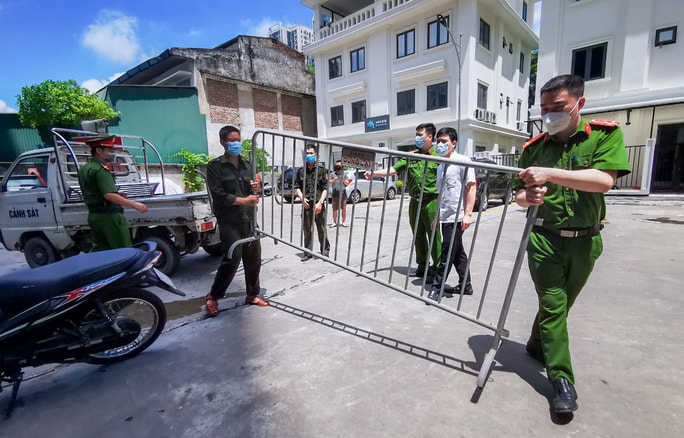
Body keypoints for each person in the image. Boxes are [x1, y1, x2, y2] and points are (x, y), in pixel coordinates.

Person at [513, 74, 631, 414]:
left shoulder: (605, 136)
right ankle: (561, 381)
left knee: (562, 306)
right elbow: (519, 196)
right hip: (544, 240)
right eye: (545, 108)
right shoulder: (534, 149)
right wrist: (528, 196)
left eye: (558, 107)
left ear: (580, 103)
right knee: (553, 304)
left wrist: (549, 175)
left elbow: (603, 181)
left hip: (586, 241)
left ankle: (537, 344)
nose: (550, 114)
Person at [205, 125, 267, 316]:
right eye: (232, 140)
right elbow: (219, 195)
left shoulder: (248, 164)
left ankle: (252, 294)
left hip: (248, 217)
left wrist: (257, 187)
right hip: (229, 220)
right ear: (223, 142)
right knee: (233, 257)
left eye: (238, 140)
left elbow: (255, 191)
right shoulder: (215, 166)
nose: (236, 144)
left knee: (254, 256)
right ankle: (213, 296)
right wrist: (244, 200)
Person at [365, 123, 441, 278]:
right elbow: (393, 169)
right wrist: (374, 173)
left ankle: (437, 268)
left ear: (430, 137)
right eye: (417, 134)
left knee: (434, 235)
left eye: (420, 135)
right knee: (418, 234)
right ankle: (422, 265)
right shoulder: (411, 156)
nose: (417, 138)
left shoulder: (439, 157)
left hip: (431, 201)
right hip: (415, 201)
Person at [426, 127, 477, 302]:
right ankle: (466, 285)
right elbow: (442, 194)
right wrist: (437, 217)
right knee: (457, 253)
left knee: (447, 252)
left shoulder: (463, 161)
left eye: (444, 141)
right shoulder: (441, 166)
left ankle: (437, 288)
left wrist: (468, 214)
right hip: (446, 215)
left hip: (458, 215)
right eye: (438, 141)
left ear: (453, 143)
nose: (440, 144)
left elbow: (471, 187)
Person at [78, 135, 148, 252]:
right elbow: (108, 195)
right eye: (109, 150)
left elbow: (94, 190)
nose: (112, 153)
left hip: (94, 216)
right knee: (123, 251)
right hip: (109, 217)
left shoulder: (85, 168)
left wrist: (116, 193)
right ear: (99, 151)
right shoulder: (100, 170)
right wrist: (134, 204)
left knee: (102, 251)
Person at [295, 144, 330, 261]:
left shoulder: (322, 170)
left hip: (318, 203)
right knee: (307, 229)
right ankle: (307, 252)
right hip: (306, 204)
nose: (309, 155)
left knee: (321, 228)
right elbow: (297, 187)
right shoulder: (301, 171)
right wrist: (301, 197)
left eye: (311, 153)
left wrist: (320, 202)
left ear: (316, 155)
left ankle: (325, 251)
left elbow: (325, 188)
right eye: (307, 153)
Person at [329, 160, 350, 227]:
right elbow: (329, 182)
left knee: (343, 208)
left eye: (339, 166)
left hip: (343, 194)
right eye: (336, 166)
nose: (338, 167)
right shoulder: (332, 174)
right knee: (334, 209)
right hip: (335, 194)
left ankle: (343, 222)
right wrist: (333, 180)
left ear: (342, 166)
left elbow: (347, 183)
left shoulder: (344, 174)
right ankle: (334, 222)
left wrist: (343, 179)